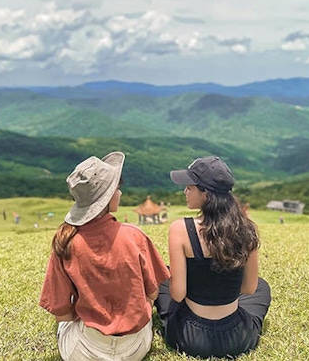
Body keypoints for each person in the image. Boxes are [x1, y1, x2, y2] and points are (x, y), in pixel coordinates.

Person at [39, 152, 170, 361]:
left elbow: (61, 314)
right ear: (108, 197)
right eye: (116, 188)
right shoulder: (135, 236)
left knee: (62, 327)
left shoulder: (66, 242)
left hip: (84, 352)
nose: (119, 192)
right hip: (136, 348)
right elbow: (153, 295)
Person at [155, 156, 271, 358]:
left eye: (189, 187)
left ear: (206, 195)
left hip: (189, 338)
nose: (185, 191)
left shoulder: (181, 229)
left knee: (163, 281)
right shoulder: (247, 228)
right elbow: (249, 288)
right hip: (237, 337)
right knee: (262, 287)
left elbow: (178, 294)